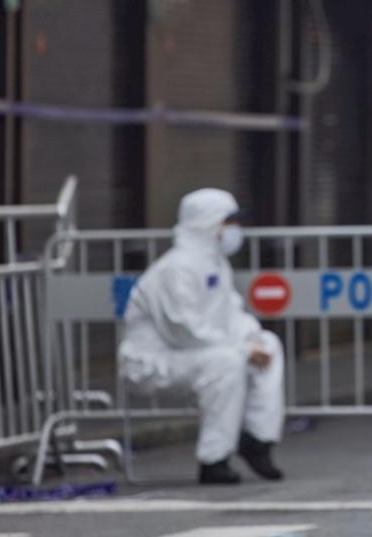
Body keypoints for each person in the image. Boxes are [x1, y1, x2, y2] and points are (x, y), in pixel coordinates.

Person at [118, 188, 285, 485]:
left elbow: (231, 314)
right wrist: (243, 350)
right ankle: (214, 460)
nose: (234, 229)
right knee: (227, 362)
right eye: (229, 221)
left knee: (270, 345)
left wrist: (253, 340)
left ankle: (258, 439)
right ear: (208, 222)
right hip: (154, 361)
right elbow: (183, 330)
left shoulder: (216, 264)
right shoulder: (175, 268)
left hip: (196, 354)